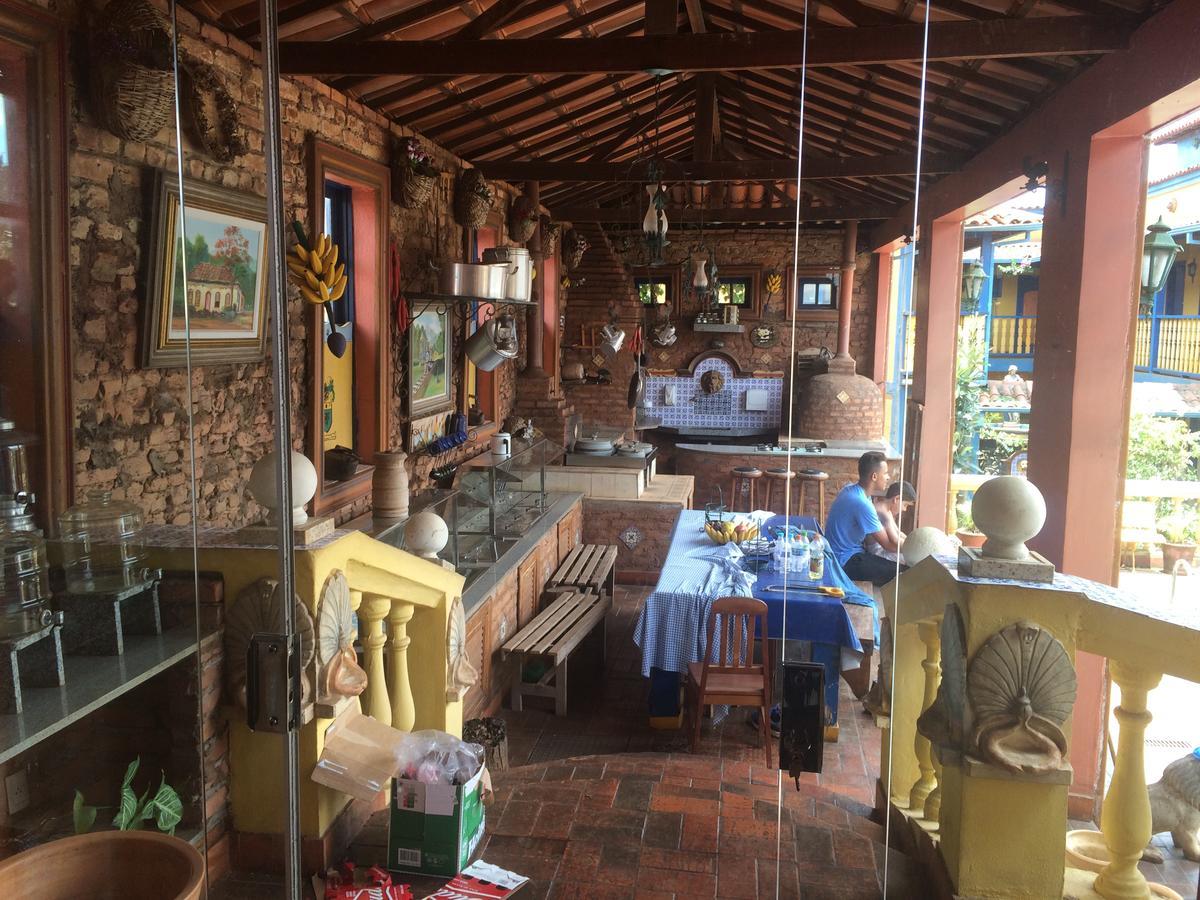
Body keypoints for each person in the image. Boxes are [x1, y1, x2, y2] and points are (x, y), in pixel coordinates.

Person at [824, 451, 905, 586]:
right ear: (874, 476)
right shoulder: (862, 503)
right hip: (845, 562)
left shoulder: (850, 489)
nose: (888, 477)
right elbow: (889, 545)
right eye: (885, 473)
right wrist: (915, 548)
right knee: (904, 572)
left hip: (844, 555)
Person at [865, 481, 916, 564]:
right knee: (911, 561)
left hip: (886, 550)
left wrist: (912, 542)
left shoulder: (887, 511)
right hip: (878, 553)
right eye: (905, 505)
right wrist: (913, 548)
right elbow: (894, 540)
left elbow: (898, 532)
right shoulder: (881, 512)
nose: (904, 509)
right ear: (896, 499)